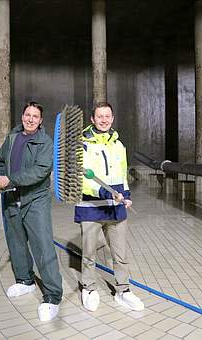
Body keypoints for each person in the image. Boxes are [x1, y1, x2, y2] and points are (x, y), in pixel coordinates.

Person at [0, 101, 63, 321]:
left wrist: (10, 180)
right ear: (22, 116)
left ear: (41, 120)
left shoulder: (44, 142)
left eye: (35, 116)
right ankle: (25, 281)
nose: (30, 119)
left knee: (42, 245)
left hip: (35, 199)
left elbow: (39, 171)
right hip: (12, 198)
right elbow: (2, 160)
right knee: (16, 241)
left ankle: (52, 296)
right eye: (27, 114)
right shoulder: (12, 137)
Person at [74, 102, 144, 312]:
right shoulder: (82, 144)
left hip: (116, 208)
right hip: (91, 207)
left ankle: (123, 291)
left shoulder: (118, 145)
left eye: (107, 116)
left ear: (112, 118)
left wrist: (127, 194)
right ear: (92, 119)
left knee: (120, 254)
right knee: (89, 252)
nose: (104, 120)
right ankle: (89, 288)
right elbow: (82, 178)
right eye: (100, 116)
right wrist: (105, 193)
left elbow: (121, 175)